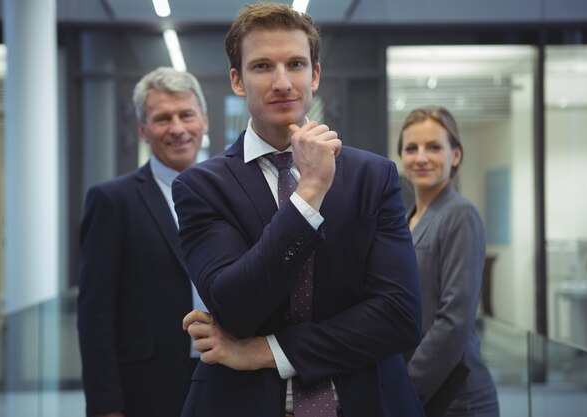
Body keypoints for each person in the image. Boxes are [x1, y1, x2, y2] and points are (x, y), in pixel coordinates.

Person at [172, 3, 424, 417]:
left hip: (366, 401)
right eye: (262, 67)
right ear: (237, 80)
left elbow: (399, 317)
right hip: (243, 404)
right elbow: (235, 307)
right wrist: (308, 192)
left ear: (315, 75)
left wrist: (266, 350)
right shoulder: (201, 187)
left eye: (295, 64)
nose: (283, 82)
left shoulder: (372, 176)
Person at [77, 67, 209, 417]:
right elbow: (95, 315)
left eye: (186, 115)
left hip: (226, 375)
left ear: (204, 122)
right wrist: (106, 406)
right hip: (148, 384)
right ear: (142, 130)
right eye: (163, 118)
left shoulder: (232, 193)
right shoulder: (111, 201)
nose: (178, 128)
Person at [398, 106, 499, 417]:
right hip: (423, 394)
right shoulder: (408, 219)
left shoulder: (460, 215)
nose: (421, 157)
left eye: (434, 147)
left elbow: (453, 322)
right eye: (411, 148)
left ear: (456, 155)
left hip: (456, 400)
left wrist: (403, 391)